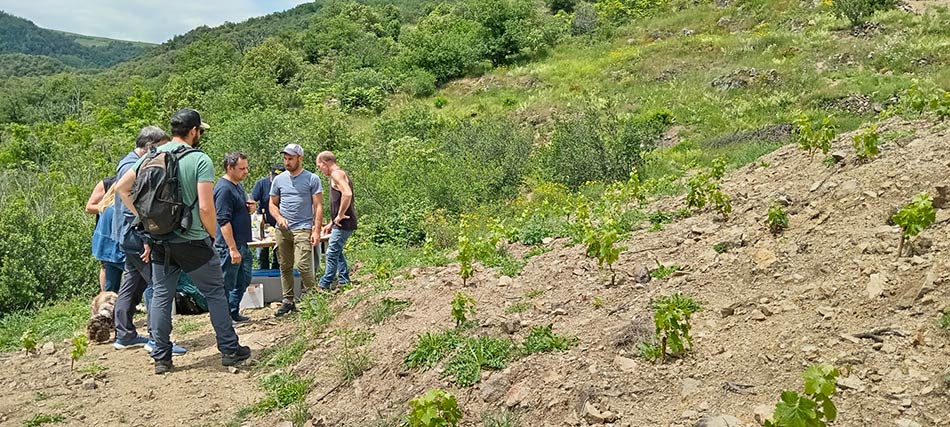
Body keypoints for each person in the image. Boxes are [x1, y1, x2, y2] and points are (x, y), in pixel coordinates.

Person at [115, 109, 250, 374]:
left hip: (158, 240)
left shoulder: (151, 157)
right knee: (215, 293)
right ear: (193, 131)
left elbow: (121, 188)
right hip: (192, 240)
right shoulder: (200, 160)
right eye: (200, 131)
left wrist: (142, 217)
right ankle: (229, 350)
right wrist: (212, 235)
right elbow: (206, 209)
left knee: (162, 296)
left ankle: (162, 358)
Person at [112, 126, 188, 355]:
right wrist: (146, 236)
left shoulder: (126, 161)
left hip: (127, 235)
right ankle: (157, 339)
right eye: (160, 147)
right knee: (157, 286)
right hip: (137, 236)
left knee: (132, 282)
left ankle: (125, 334)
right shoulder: (132, 166)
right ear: (149, 147)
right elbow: (135, 207)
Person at [269, 143, 323, 317]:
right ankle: (288, 300)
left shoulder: (312, 179)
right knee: (284, 265)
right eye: (285, 158)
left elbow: (318, 205)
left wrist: (316, 230)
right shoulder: (279, 179)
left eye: (290, 158)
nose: (287, 162)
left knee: (303, 264)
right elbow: (272, 204)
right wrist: (278, 218)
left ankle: (313, 296)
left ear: (300, 158)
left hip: (303, 227)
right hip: (282, 228)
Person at [214, 152, 253, 323]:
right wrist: (232, 248)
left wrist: (248, 208)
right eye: (242, 168)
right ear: (230, 168)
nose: (246, 172)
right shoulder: (223, 189)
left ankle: (233, 311)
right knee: (226, 283)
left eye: (246, 168)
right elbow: (223, 220)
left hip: (242, 243)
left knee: (244, 279)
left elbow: (236, 210)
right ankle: (223, 318)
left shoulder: (237, 185)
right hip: (229, 246)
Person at [316, 151, 357, 291]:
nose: (320, 170)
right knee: (337, 251)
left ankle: (324, 283)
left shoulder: (336, 174)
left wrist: (340, 215)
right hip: (340, 222)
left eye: (319, 166)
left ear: (325, 163)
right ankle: (344, 280)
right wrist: (332, 223)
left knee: (332, 252)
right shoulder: (337, 175)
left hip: (344, 221)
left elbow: (347, 193)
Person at [85, 176, 123, 292]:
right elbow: (88, 207)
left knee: (110, 270)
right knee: (106, 269)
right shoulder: (106, 183)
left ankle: (109, 300)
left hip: (108, 238)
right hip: (108, 236)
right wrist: (107, 207)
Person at [250, 164, 285, 269]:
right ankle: (264, 280)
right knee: (262, 255)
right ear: (270, 175)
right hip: (263, 225)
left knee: (279, 257)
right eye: (274, 178)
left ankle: (276, 281)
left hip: (281, 225)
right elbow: (252, 200)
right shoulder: (261, 184)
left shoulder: (287, 185)